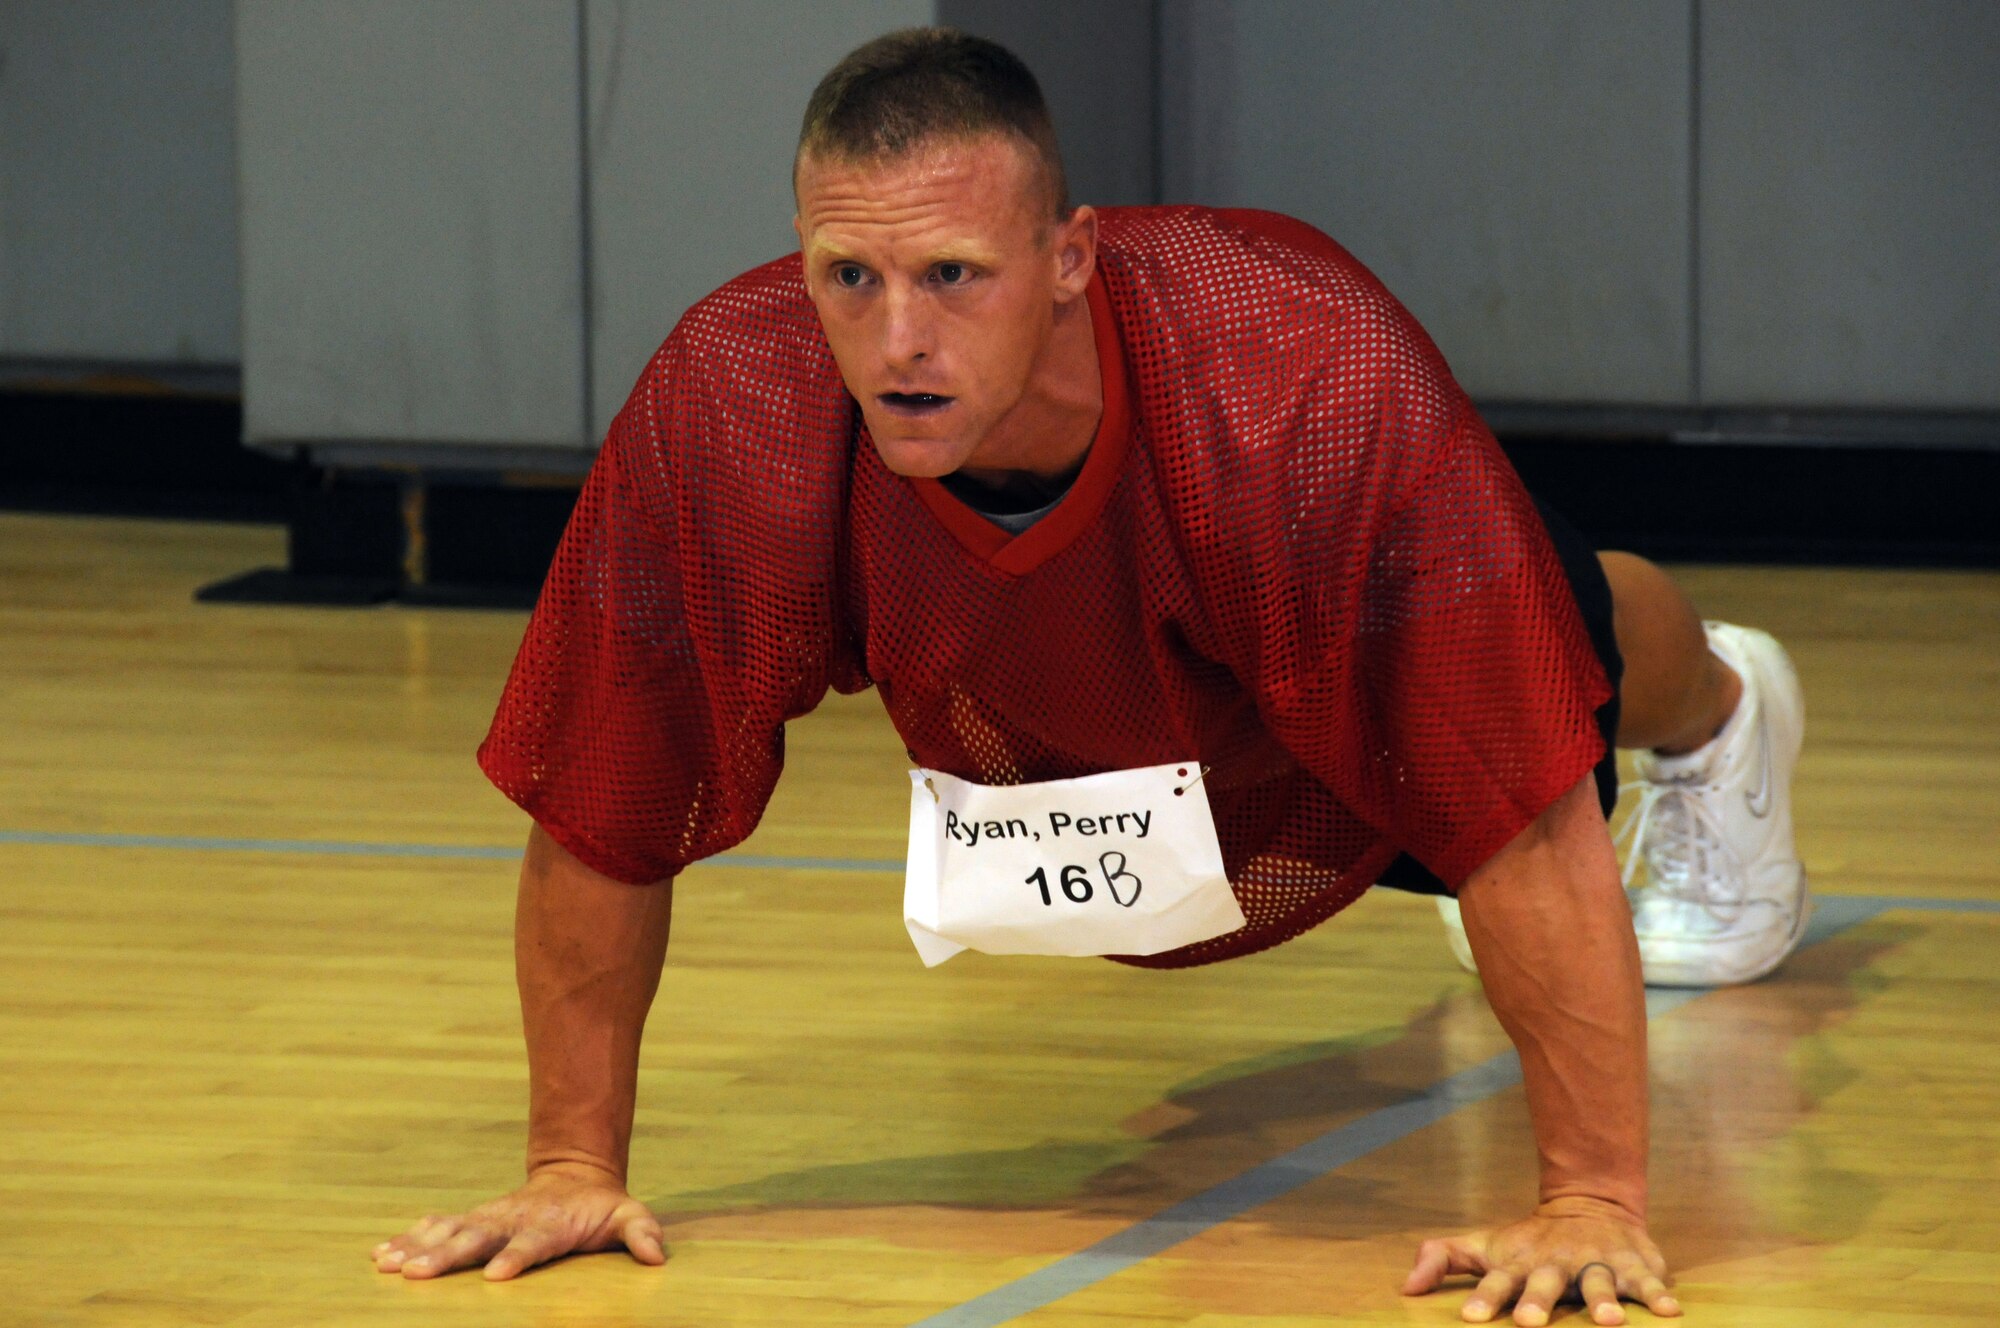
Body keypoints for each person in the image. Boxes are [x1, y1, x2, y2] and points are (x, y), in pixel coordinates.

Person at [370, 28, 1808, 1327]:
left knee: (1563, 647)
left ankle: (1728, 713)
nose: (897, 340)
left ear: (1069, 260)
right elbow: (606, 792)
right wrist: (570, 1161)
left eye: (953, 277)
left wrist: (1594, 1201)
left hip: (1305, 659)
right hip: (1096, 714)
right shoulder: (734, 404)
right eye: (848, 277)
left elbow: (1530, 818)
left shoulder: (1301, 378)